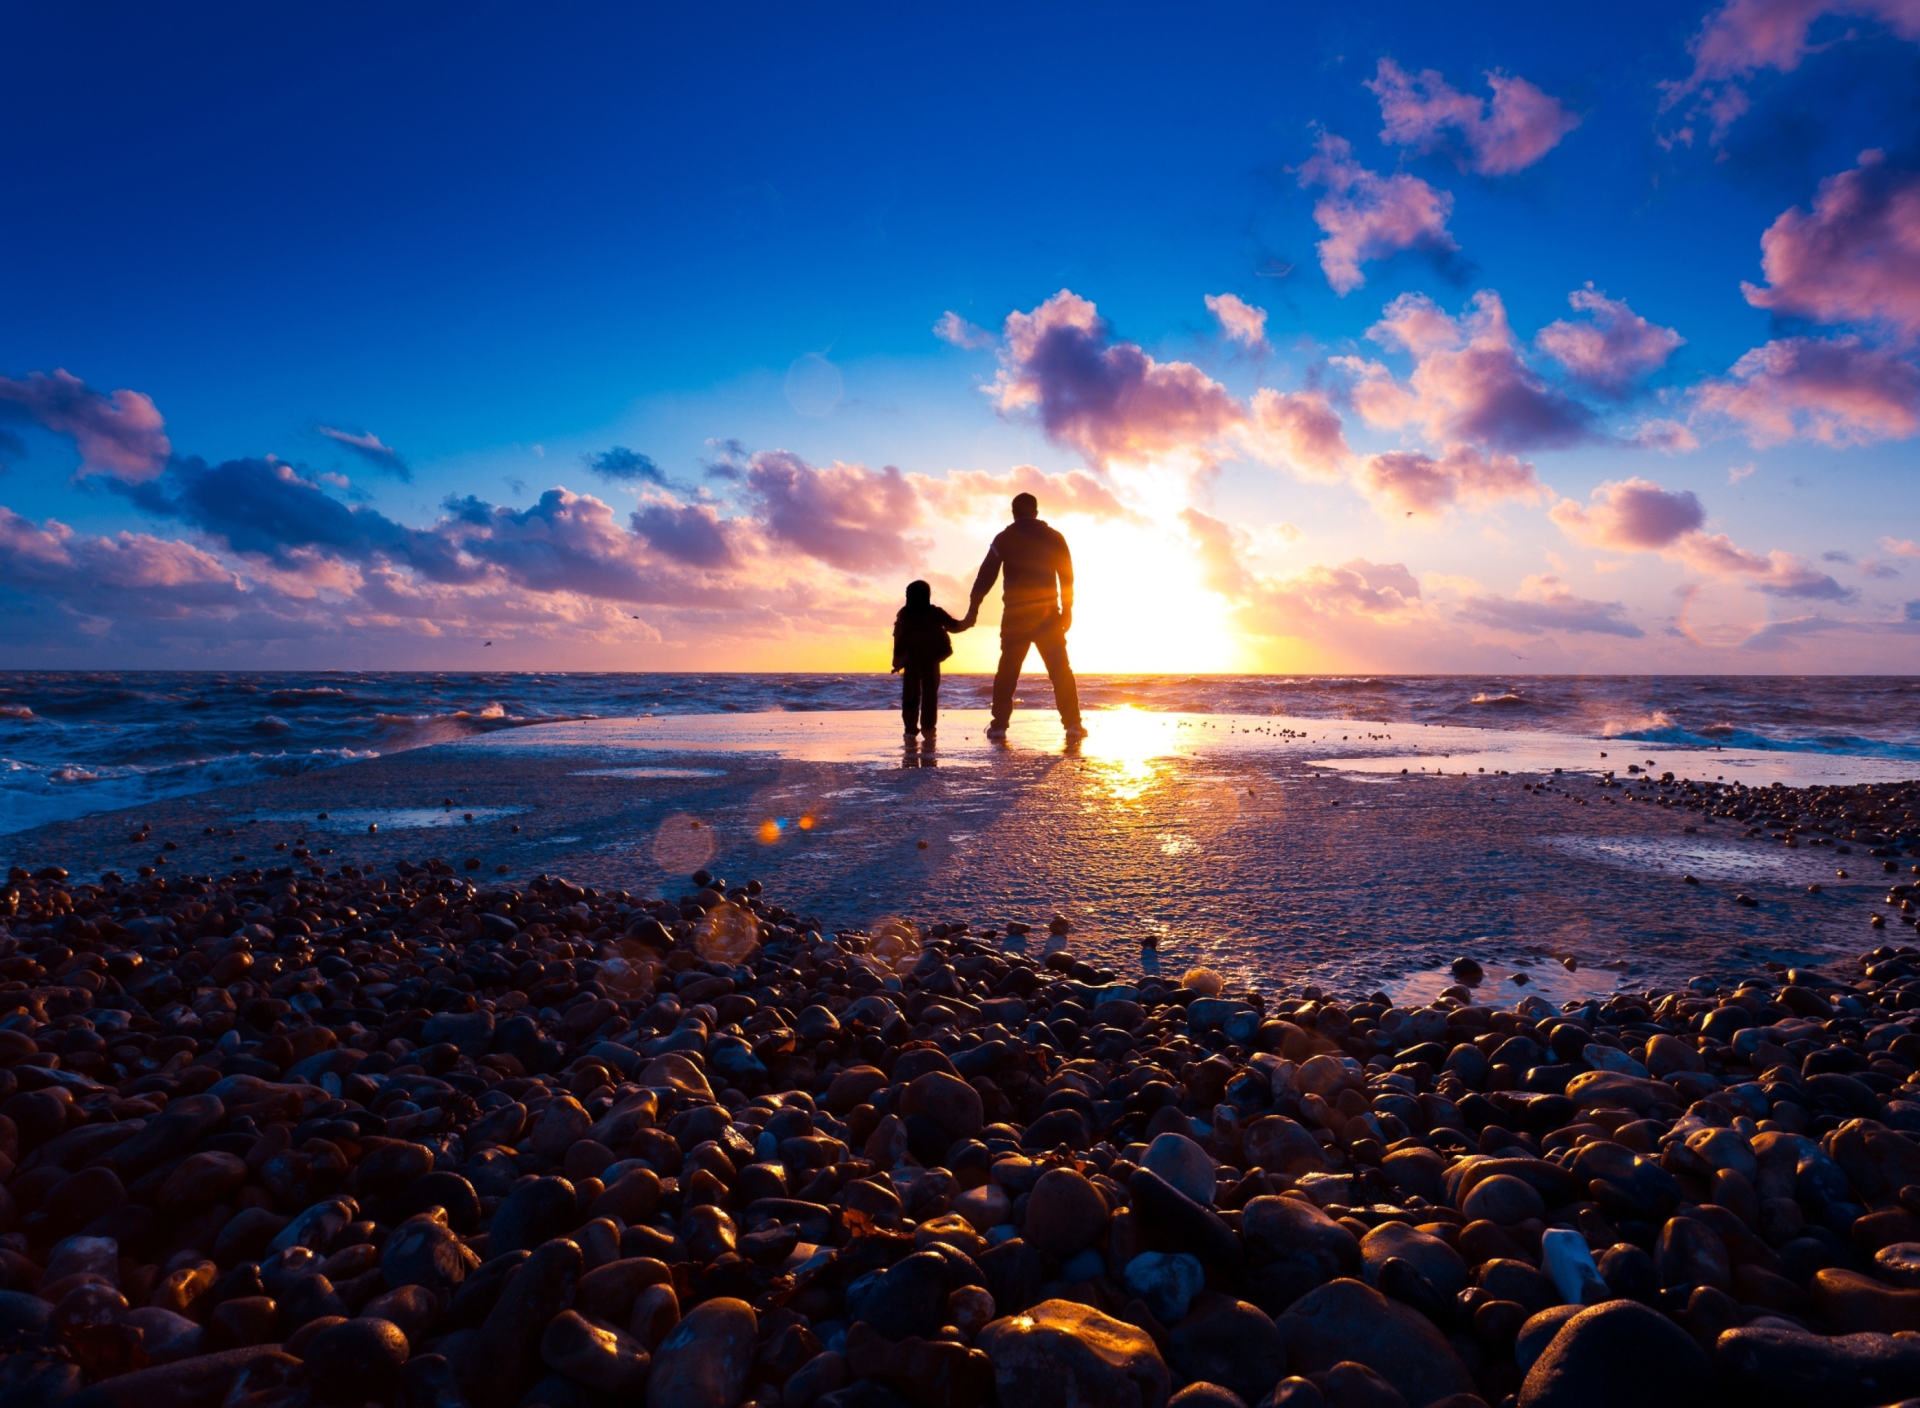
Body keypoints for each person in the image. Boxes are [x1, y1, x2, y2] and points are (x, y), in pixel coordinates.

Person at [966, 492, 1084, 739]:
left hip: (1016, 616)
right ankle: (1073, 724)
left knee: (1008, 670)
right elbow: (1067, 576)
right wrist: (1068, 610)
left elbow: (986, 575)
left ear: (1014, 513)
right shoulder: (1054, 537)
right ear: (1036, 513)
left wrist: (973, 609)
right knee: (1060, 671)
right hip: (1048, 616)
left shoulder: (1005, 538)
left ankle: (998, 725)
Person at [891, 579, 969, 745]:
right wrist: (969, 621)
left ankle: (910, 730)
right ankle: (928, 729)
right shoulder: (935, 612)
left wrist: (896, 661)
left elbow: (897, 637)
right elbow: (954, 626)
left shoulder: (904, 613)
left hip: (911, 659)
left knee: (911, 695)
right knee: (929, 695)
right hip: (931, 659)